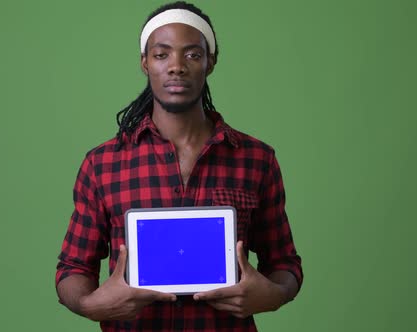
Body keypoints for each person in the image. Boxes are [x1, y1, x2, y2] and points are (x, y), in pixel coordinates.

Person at [55, 2, 303, 331]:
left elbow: (284, 263)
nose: (177, 67)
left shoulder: (256, 159)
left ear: (210, 62)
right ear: (145, 62)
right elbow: (73, 268)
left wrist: (273, 294)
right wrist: (91, 304)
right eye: (162, 54)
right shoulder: (102, 164)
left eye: (192, 54)